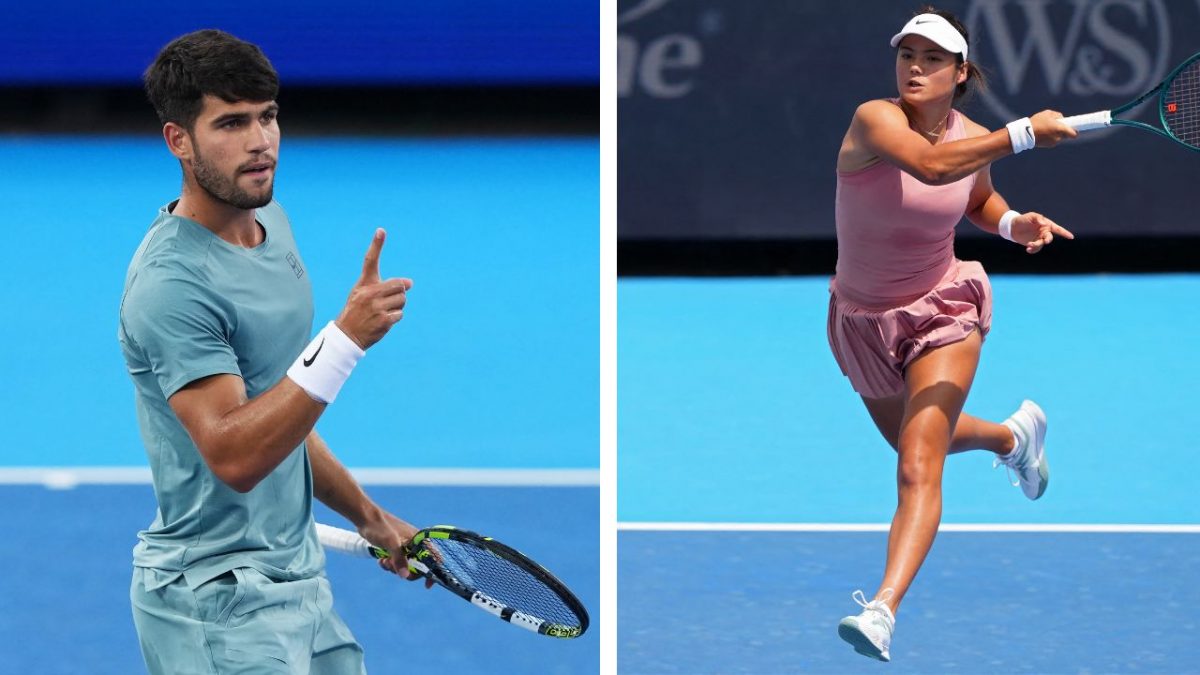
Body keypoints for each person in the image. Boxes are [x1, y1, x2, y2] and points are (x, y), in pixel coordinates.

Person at [119, 29, 425, 674]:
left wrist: (370, 516)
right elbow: (235, 454)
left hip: (299, 581)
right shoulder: (171, 286)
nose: (260, 141)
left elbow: (276, 410)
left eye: (267, 116)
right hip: (219, 600)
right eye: (231, 123)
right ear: (180, 140)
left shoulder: (268, 223)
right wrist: (342, 341)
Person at [828, 7, 1077, 662]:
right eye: (907, 54)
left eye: (932, 58)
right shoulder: (874, 120)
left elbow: (974, 197)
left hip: (943, 307)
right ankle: (1012, 436)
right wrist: (1021, 132)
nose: (915, 67)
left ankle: (882, 608)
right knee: (912, 439)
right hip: (861, 320)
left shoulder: (969, 135)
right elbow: (933, 170)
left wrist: (1012, 223)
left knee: (917, 460)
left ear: (959, 73)